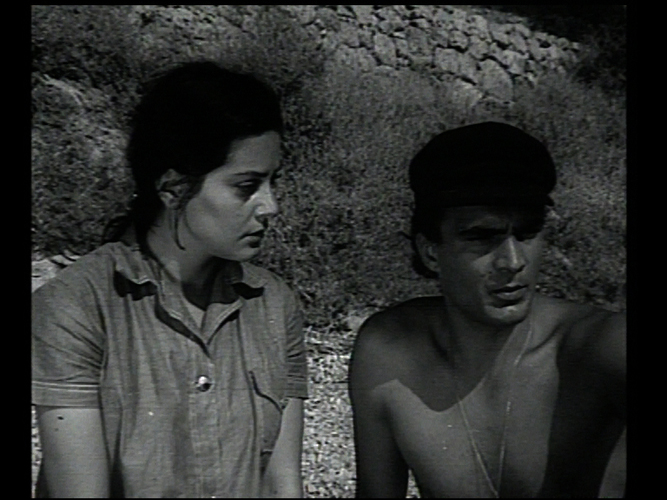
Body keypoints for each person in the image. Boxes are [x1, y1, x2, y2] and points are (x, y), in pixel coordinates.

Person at [32, 61, 308, 498]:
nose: (270, 206)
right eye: (246, 186)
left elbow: (282, 484)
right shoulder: (76, 305)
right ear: (173, 188)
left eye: (273, 182)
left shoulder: (273, 304)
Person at [349, 122, 626, 498]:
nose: (513, 261)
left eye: (527, 234)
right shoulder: (389, 350)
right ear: (430, 251)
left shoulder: (595, 347)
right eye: (481, 237)